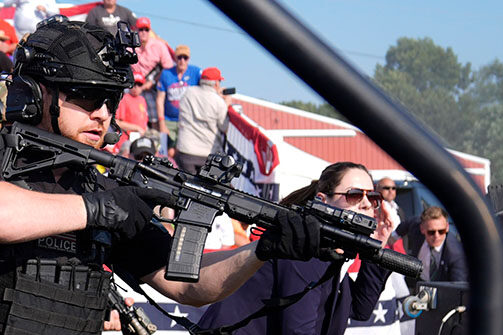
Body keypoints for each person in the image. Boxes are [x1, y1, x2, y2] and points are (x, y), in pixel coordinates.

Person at [0, 17, 321, 334]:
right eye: (87, 96)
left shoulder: (104, 187)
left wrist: (263, 251)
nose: (102, 114)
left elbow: (188, 288)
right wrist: (100, 209)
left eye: (111, 100)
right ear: (37, 94)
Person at [198, 162, 394, 335]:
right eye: (355, 195)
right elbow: (297, 330)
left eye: (373, 196)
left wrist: (376, 247)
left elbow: (360, 309)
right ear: (323, 201)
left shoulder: (331, 248)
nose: (366, 204)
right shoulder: (303, 246)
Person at [174, 67, 229, 174]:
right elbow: (225, 127)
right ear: (216, 84)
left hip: (186, 150)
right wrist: (226, 103)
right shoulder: (219, 102)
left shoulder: (188, 92)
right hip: (208, 154)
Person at [395, 206, 468, 283]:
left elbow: (458, 287)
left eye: (441, 231)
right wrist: (392, 238)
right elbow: (404, 226)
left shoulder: (456, 254)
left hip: (442, 287)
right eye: (431, 232)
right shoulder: (415, 227)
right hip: (416, 279)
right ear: (422, 229)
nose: (437, 236)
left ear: (447, 227)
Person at [156, 44, 201, 157]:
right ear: (175, 59)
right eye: (179, 57)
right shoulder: (166, 74)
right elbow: (160, 99)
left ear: (188, 59)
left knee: (183, 151)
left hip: (187, 120)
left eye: (185, 58)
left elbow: (207, 85)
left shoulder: (195, 72)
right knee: (167, 152)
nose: (182, 61)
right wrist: (161, 122)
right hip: (168, 120)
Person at [130, 17, 174, 130]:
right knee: (126, 107)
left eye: (146, 29)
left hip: (153, 86)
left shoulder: (159, 46)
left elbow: (168, 68)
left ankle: (156, 139)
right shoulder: (130, 47)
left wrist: (153, 81)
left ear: (150, 31)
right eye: (141, 29)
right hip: (134, 85)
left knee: (155, 117)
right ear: (135, 30)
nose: (143, 33)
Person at [113, 71, 147, 153]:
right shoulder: (125, 99)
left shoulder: (142, 100)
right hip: (126, 141)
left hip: (139, 140)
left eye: (139, 85)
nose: (136, 87)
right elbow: (117, 122)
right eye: (134, 84)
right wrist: (136, 128)